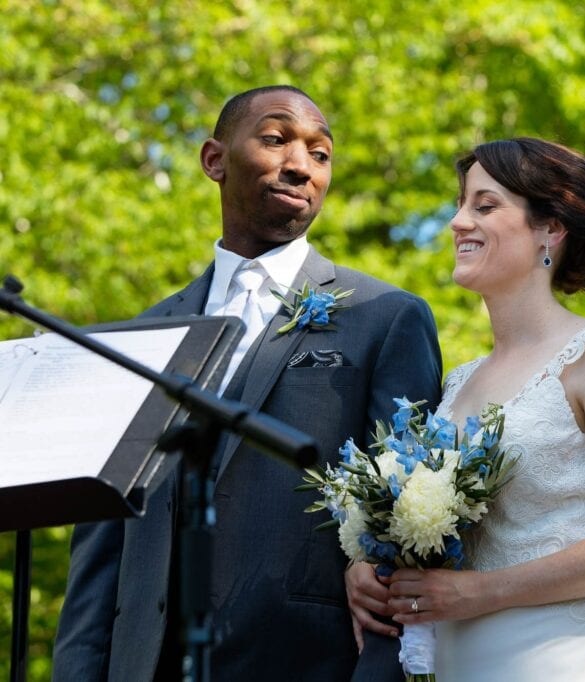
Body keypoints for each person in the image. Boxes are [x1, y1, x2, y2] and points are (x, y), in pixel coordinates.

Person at [51, 85, 442, 681]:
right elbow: (102, 549)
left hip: (304, 662)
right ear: (215, 160)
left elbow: (405, 531)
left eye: (321, 153)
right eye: (276, 138)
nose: (301, 164)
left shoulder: (385, 317)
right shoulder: (142, 336)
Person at [346, 137, 585, 679]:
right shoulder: (456, 384)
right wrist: (369, 564)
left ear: (549, 229)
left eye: (484, 205)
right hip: (460, 663)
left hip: (568, 659)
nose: (458, 222)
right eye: (460, 205)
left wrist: (482, 592)